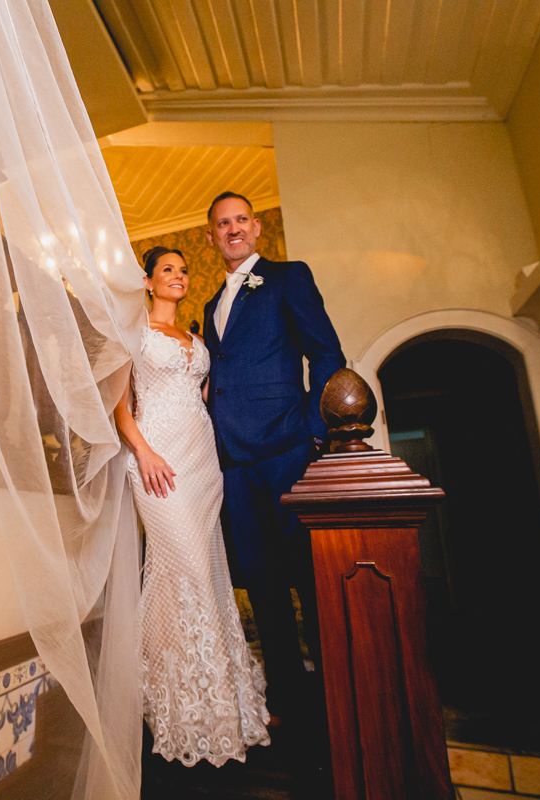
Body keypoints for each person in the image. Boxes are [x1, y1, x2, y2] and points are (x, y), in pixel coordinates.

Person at [114, 245, 271, 768]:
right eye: (168, 270)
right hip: (158, 460)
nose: (178, 277)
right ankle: (170, 700)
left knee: (207, 572)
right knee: (184, 569)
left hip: (203, 464)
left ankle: (217, 704)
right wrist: (143, 451)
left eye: (183, 270)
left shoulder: (198, 340)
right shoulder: (133, 334)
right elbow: (119, 405)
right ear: (147, 281)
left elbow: (205, 399)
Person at [201, 191, 346, 746]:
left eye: (241, 219)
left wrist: (313, 429)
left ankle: (338, 696)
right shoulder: (211, 304)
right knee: (262, 586)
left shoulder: (288, 277)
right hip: (232, 463)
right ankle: (288, 700)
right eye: (223, 223)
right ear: (211, 236)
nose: (233, 229)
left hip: (287, 448)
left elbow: (326, 353)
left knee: (309, 577)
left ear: (256, 227)